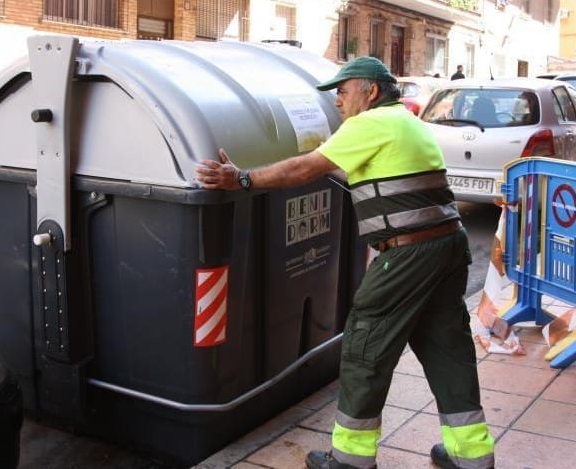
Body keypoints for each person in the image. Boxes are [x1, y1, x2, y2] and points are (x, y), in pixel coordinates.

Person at [195, 56, 494, 469]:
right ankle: (472, 454)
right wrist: (310, 165)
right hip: (446, 246)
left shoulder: (369, 124)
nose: (337, 100)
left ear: (369, 92)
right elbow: (363, 173)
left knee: (364, 347)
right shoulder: (404, 122)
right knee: (447, 347)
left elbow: (305, 167)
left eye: (343, 90)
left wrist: (242, 178)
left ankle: (351, 459)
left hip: (407, 255)